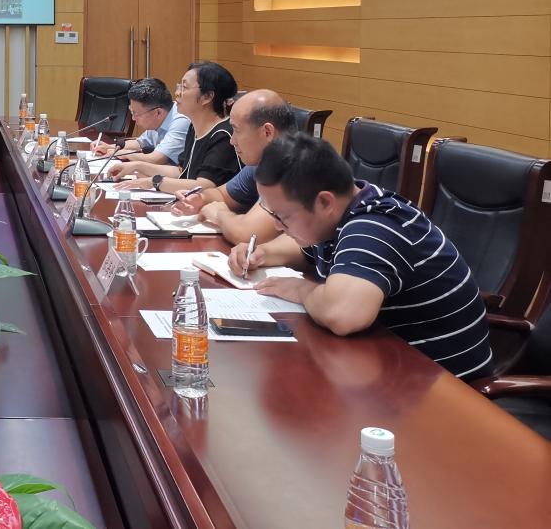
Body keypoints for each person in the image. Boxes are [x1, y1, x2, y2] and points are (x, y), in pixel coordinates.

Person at [231, 132, 492, 379]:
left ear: (324, 202)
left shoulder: (374, 227)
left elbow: (342, 314)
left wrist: (300, 289)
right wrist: (262, 253)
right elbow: (305, 249)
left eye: (282, 216)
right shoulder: (344, 210)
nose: (277, 226)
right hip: (392, 365)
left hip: (445, 385)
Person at [172, 89, 292, 243]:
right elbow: (222, 195)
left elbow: (247, 235)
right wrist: (199, 199)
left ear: (267, 132)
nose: (232, 140)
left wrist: (220, 214)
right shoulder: (260, 164)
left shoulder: (292, 167)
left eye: (236, 130)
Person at [110, 61, 239, 192]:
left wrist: (153, 182)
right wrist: (137, 166)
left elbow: (204, 186)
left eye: (184, 87)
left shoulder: (224, 135)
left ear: (207, 97)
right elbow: (180, 171)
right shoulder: (194, 128)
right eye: (179, 86)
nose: (177, 93)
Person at [90, 77, 190, 166]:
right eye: (131, 111)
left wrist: (121, 153)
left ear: (158, 112)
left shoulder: (180, 121)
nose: (133, 118)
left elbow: (157, 159)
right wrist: (109, 147)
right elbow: (141, 143)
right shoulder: (158, 117)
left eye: (136, 113)